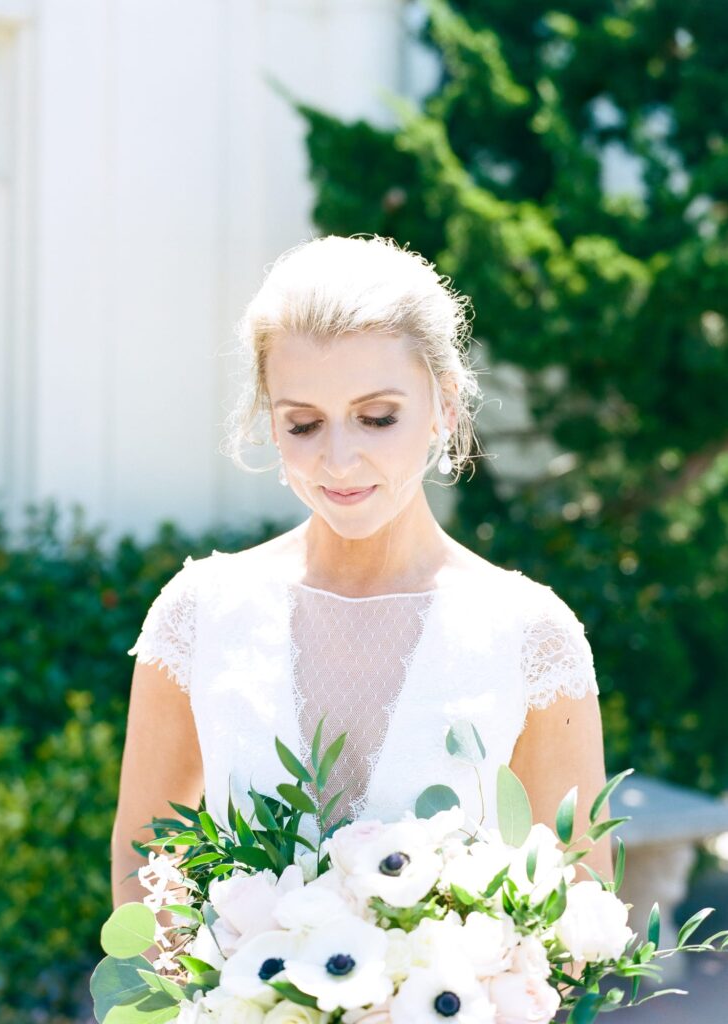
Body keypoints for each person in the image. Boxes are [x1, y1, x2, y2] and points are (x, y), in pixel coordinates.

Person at [110, 235, 613, 929]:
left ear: (445, 405)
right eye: (304, 424)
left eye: (378, 418)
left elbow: (579, 904)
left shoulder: (531, 635)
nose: (339, 460)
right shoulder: (201, 613)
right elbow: (146, 861)